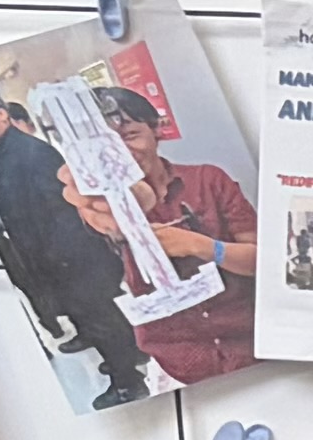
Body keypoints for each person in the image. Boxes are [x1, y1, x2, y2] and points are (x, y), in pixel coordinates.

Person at [0, 81, 155, 403]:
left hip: (71, 256)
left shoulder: (33, 152)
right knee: (98, 314)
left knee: (96, 314)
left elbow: (63, 211)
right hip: (49, 254)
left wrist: (59, 262)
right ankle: (130, 354)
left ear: (0, 112)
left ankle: (127, 383)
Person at [91, 87, 254, 386]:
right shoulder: (100, 211)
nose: (121, 155)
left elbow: (263, 262)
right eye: (107, 144)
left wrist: (202, 246)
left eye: (129, 136)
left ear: (157, 130)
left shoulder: (209, 180)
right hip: (177, 365)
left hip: (250, 344)